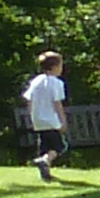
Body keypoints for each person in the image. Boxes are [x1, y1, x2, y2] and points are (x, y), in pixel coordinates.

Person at [19, 51, 69, 183]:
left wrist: (32, 115)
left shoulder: (36, 81)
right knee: (59, 146)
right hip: (51, 120)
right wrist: (62, 121)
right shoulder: (56, 83)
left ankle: (45, 171)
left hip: (38, 120)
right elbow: (57, 103)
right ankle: (45, 161)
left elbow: (28, 99)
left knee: (45, 146)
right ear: (54, 67)